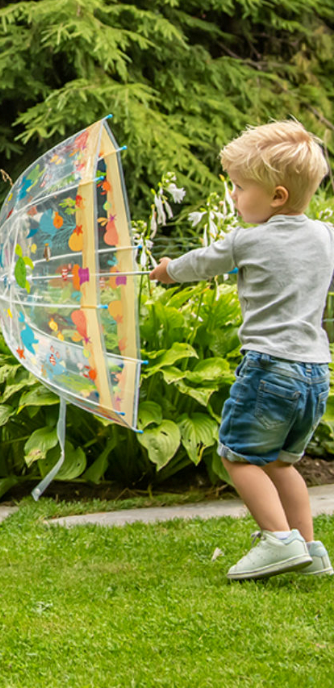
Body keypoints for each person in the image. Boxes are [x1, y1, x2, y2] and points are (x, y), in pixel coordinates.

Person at [150, 119, 334, 581]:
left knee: (237, 454)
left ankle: (277, 539)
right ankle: (309, 549)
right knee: (281, 461)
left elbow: (199, 264)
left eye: (240, 187)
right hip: (315, 372)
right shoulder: (324, 236)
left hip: (270, 367)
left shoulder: (247, 239)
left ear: (277, 196)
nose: (233, 196)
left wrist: (167, 270)